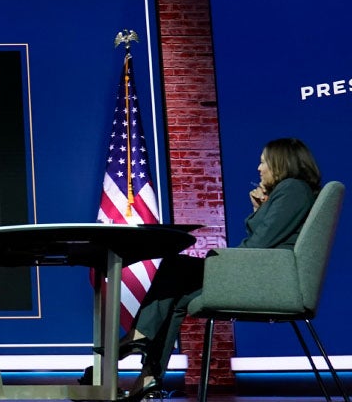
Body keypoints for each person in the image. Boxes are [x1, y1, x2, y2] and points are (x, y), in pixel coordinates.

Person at [107, 138, 322, 402]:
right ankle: (149, 377)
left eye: (264, 161)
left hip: (269, 279)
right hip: (266, 273)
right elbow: (268, 238)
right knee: (176, 299)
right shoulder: (293, 191)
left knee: (176, 266)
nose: (259, 168)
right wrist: (261, 208)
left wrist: (226, 258)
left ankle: (140, 336)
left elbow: (259, 243)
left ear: (282, 162)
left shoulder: (292, 189)